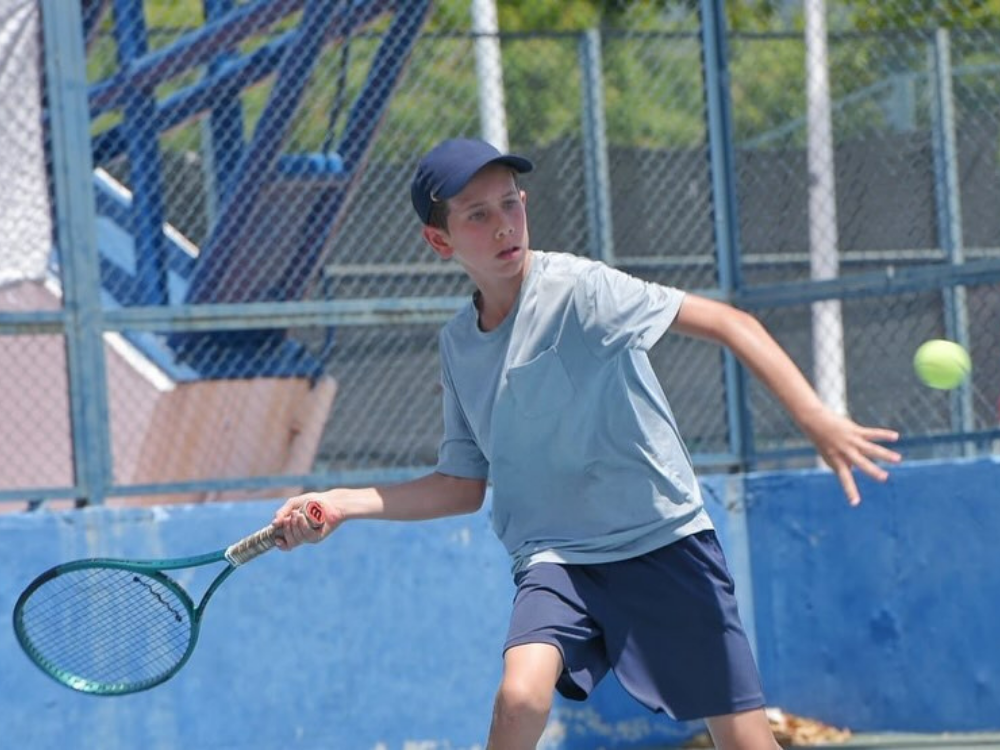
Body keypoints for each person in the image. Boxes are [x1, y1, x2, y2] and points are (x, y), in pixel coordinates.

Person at [273, 137, 902, 749]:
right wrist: (342, 501)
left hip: (663, 540)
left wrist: (818, 420)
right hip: (557, 557)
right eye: (478, 214)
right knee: (519, 698)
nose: (503, 225)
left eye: (511, 203)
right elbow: (462, 487)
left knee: (742, 742)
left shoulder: (581, 289)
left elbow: (731, 323)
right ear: (440, 240)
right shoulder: (458, 346)